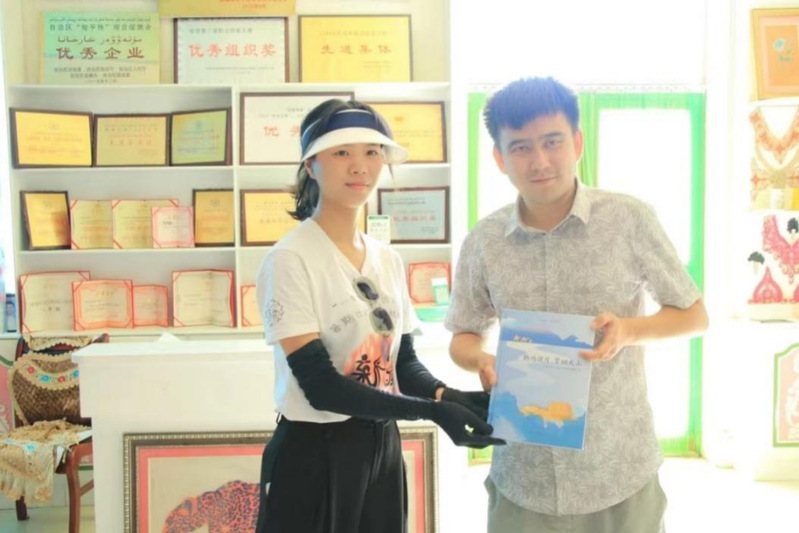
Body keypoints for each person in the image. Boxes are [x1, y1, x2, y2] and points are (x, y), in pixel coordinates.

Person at [445, 77, 709, 533]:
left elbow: (694, 315)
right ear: (499, 158)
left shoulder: (628, 219)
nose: (540, 161)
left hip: (618, 471)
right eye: (521, 147)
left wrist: (628, 331)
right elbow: (462, 335)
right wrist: (481, 360)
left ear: (577, 143)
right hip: (523, 475)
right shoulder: (485, 240)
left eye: (553, 142)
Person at [254, 99, 503, 533]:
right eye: (341, 152)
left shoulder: (387, 259)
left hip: (382, 448)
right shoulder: (290, 259)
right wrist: (431, 412)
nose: (360, 166)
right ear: (311, 164)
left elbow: (400, 364)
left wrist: (448, 396)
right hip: (315, 452)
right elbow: (322, 387)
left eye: (372, 152)